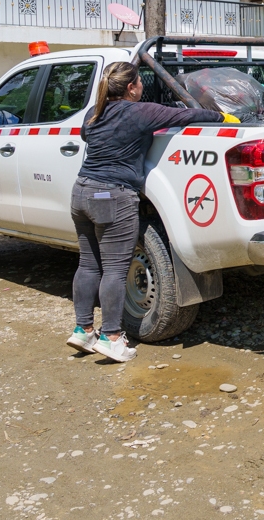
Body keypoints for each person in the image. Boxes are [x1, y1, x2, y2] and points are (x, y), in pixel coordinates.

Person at [67, 62, 226, 362]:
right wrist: (220, 116)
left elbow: (89, 137)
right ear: (131, 88)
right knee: (115, 269)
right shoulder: (139, 112)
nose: (142, 86)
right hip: (112, 196)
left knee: (88, 265)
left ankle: (82, 330)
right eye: (140, 82)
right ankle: (112, 337)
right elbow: (186, 115)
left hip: (81, 193)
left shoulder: (93, 113)